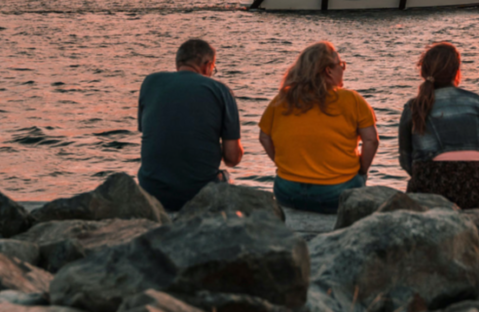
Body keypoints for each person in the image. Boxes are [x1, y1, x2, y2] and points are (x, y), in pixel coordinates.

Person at [258, 41, 378, 213]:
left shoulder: (282, 100)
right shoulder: (352, 99)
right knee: (359, 180)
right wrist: (362, 170)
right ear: (328, 70)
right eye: (341, 65)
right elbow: (371, 140)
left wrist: (283, 165)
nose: (343, 70)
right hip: (336, 194)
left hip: (288, 192)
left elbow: (264, 136)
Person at [137, 38, 243, 211]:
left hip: (152, 192)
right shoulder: (220, 90)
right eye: (213, 69)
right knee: (227, 179)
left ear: (178, 63)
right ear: (208, 65)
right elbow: (232, 158)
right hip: (198, 194)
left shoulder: (150, 83)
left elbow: (153, 132)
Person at [398, 42, 479, 209]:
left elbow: (406, 161)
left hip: (429, 191)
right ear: (457, 71)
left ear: (424, 72)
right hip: (477, 189)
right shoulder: (478, 103)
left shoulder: (413, 107)